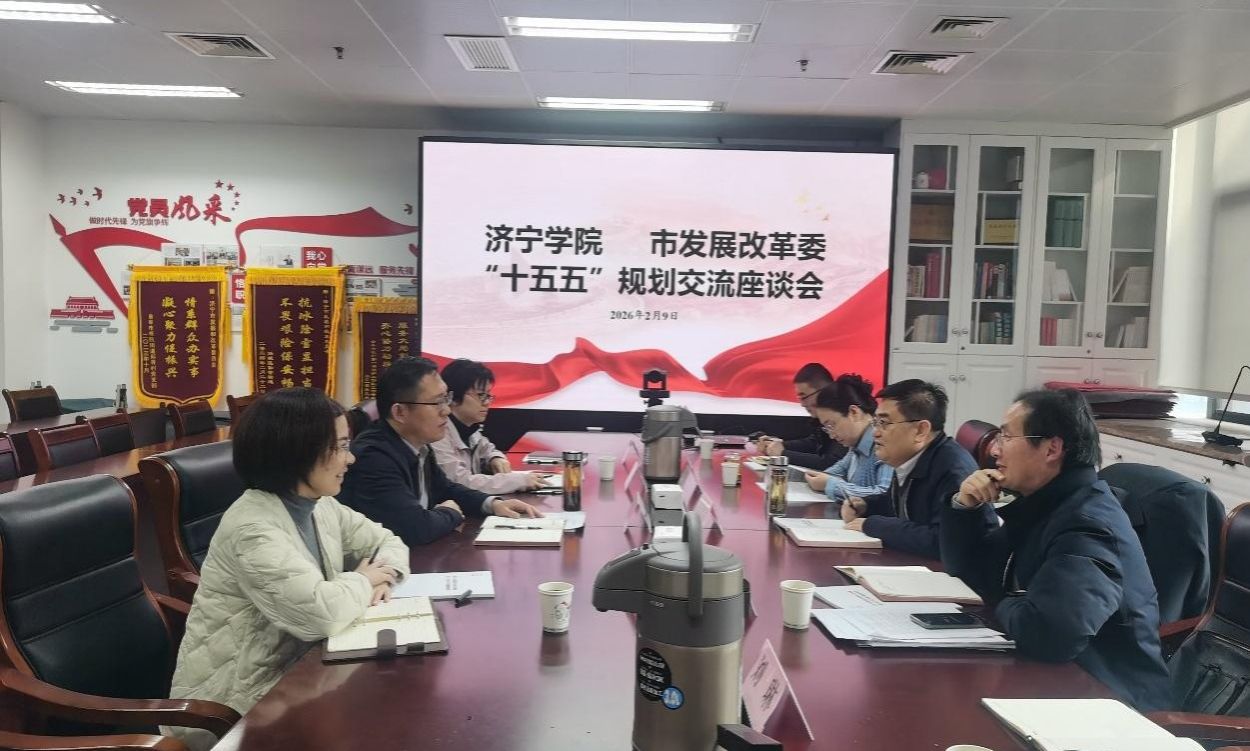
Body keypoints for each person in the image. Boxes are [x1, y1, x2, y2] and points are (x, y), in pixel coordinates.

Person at [168, 388, 410, 751]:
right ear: (298, 452)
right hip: (234, 707)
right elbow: (320, 614)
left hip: (299, 678)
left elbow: (389, 542)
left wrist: (382, 577)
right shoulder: (253, 528)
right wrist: (363, 580)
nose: (351, 458)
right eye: (341, 447)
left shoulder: (320, 505)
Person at [942, 389, 1172, 710]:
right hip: (1059, 682)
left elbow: (1049, 635)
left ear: (1052, 449)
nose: (994, 449)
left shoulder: (1087, 524)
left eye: (1007, 436)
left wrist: (1004, 600)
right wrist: (964, 507)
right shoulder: (1046, 504)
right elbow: (971, 574)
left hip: (1109, 700)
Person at [338, 356, 539, 546]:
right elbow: (414, 528)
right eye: (437, 402)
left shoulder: (418, 443)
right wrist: (450, 512)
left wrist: (491, 504)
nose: (447, 410)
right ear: (400, 412)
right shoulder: (374, 457)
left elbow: (445, 487)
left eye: (446, 399)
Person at [840, 379, 992, 558]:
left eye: (884, 423)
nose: (876, 432)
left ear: (921, 430)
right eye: (876, 422)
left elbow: (941, 540)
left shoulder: (953, 470)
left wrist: (873, 525)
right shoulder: (910, 457)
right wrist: (866, 505)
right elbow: (900, 505)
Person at [430, 358, 545, 494]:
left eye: (488, 396)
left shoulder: (470, 429)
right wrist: (516, 481)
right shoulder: (437, 434)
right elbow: (459, 482)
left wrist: (495, 458)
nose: (486, 402)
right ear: (453, 397)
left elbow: (488, 449)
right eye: (481, 395)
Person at [800, 374, 893, 502]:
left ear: (854, 412)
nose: (831, 435)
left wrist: (831, 484)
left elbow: (885, 494)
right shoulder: (856, 444)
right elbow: (836, 471)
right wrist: (820, 478)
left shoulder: (883, 442)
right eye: (826, 428)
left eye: (831, 425)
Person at [755, 362, 848, 468]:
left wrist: (783, 454)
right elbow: (814, 442)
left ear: (824, 392)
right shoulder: (823, 418)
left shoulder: (844, 414)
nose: (802, 404)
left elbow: (832, 463)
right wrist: (777, 445)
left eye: (804, 397)